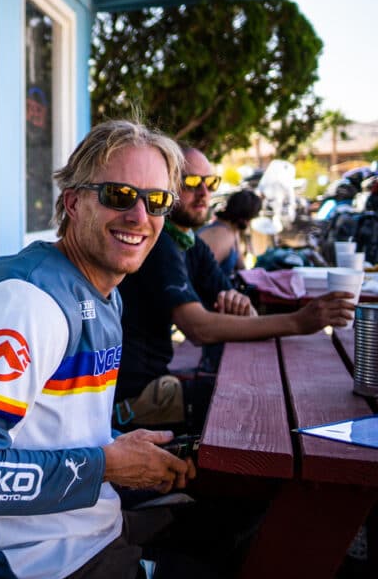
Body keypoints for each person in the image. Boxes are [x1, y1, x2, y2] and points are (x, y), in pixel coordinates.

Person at [0, 121, 242, 579]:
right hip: (32, 569)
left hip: (83, 529)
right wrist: (107, 465)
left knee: (231, 517)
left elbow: (51, 430)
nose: (140, 215)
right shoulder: (28, 303)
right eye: (119, 195)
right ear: (73, 203)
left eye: (156, 201)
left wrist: (119, 448)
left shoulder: (104, 292)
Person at [115, 147, 355, 433]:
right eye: (191, 182)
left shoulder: (191, 243)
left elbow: (245, 314)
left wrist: (242, 305)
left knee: (264, 399)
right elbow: (197, 328)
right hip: (134, 398)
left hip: (158, 380)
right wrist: (298, 321)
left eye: (211, 183)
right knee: (261, 410)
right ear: (166, 188)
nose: (204, 192)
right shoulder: (160, 243)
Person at [197, 189, 262, 277]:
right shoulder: (221, 236)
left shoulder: (233, 231)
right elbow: (200, 275)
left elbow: (241, 266)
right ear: (245, 218)